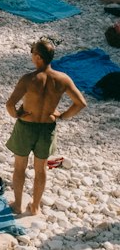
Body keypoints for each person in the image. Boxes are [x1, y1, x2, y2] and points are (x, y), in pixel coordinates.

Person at [5, 39, 86, 216]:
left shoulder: (29, 79)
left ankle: (17, 205)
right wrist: (63, 116)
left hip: (26, 126)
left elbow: (10, 104)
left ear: (38, 57)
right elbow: (80, 103)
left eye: (32, 53)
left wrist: (17, 114)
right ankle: (35, 206)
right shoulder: (63, 79)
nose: (32, 56)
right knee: (40, 169)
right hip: (47, 129)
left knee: (20, 167)